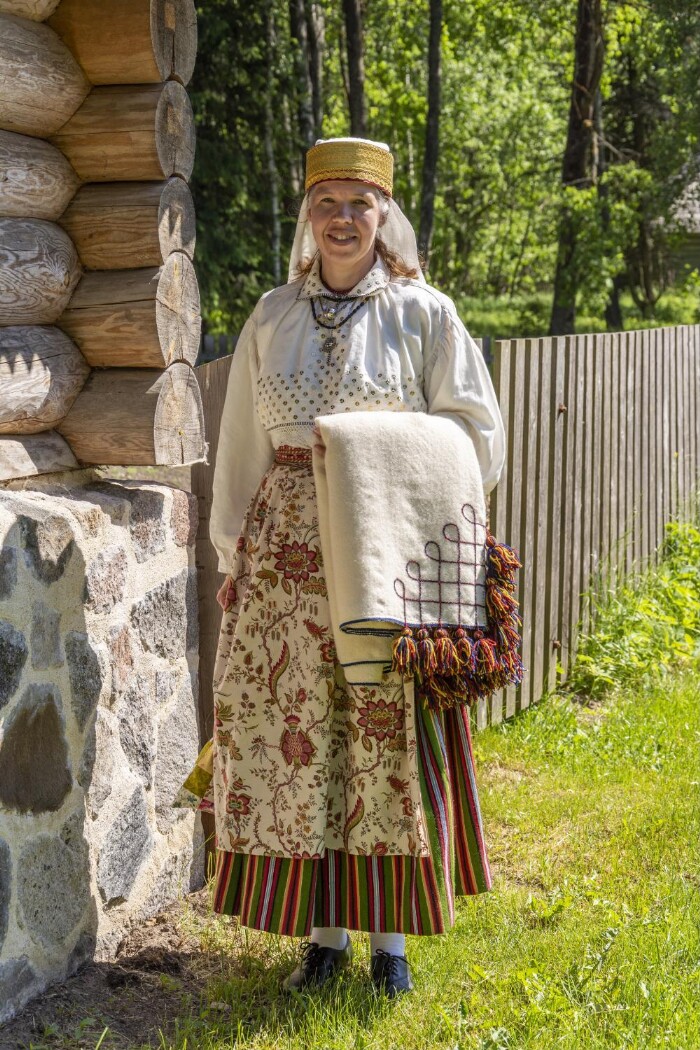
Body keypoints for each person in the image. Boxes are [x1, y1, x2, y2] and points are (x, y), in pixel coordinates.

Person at [177, 137, 507, 997]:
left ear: (383, 215)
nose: (343, 220)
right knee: (303, 739)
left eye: (360, 204)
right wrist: (232, 555)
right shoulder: (272, 316)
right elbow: (242, 445)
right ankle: (324, 939)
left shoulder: (421, 313)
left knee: (380, 735)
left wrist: (369, 453)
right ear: (307, 215)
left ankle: (390, 945)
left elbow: (477, 434)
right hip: (285, 563)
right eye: (327, 202)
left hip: (380, 555)